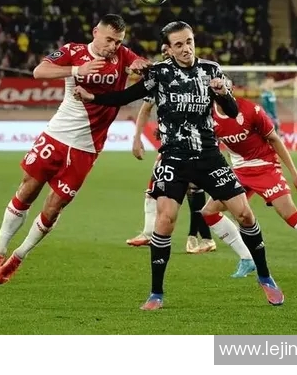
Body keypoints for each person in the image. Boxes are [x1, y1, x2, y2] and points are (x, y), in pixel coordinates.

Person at [74, 21, 284, 310]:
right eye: (179, 45)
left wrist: (223, 94)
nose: (186, 49)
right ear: (168, 49)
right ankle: (156, 294)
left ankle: (265, 276)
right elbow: (126, 97)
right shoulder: (159, 73)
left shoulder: (211, 70)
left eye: (189, 42)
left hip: (209, 156)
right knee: (165, 220)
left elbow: (233, 111)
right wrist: (93, 97)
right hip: (173, 157)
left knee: (245, 214)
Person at [0, 14, 151, 287]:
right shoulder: (74, 51)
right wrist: (76, 71)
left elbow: (138, 63)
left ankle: (18, 257)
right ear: (95, 33)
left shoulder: (123, 55)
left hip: (87, 148)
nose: (113, 46)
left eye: (118, 41)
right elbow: (39, 71)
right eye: (109, 40)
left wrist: (141, 64)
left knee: (54, 207)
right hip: (56, 136)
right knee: (27, 190)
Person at [204, 96, 297, 281]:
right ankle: (247, 258)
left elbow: (274, 139)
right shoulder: (208, 115)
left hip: (265, 166)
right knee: (209, 212)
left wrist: (295, 174)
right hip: (239, 171)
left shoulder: (250, 110)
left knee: (290, 214)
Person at [128, 96, 216, 254]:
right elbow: (146, 108)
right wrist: (139, 137)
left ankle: (199, 237)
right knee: (155, 188)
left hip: (195, 147)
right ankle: (150, 233)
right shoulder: (159, 85)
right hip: (171, 147)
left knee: (194, 190)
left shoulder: (197, 88)